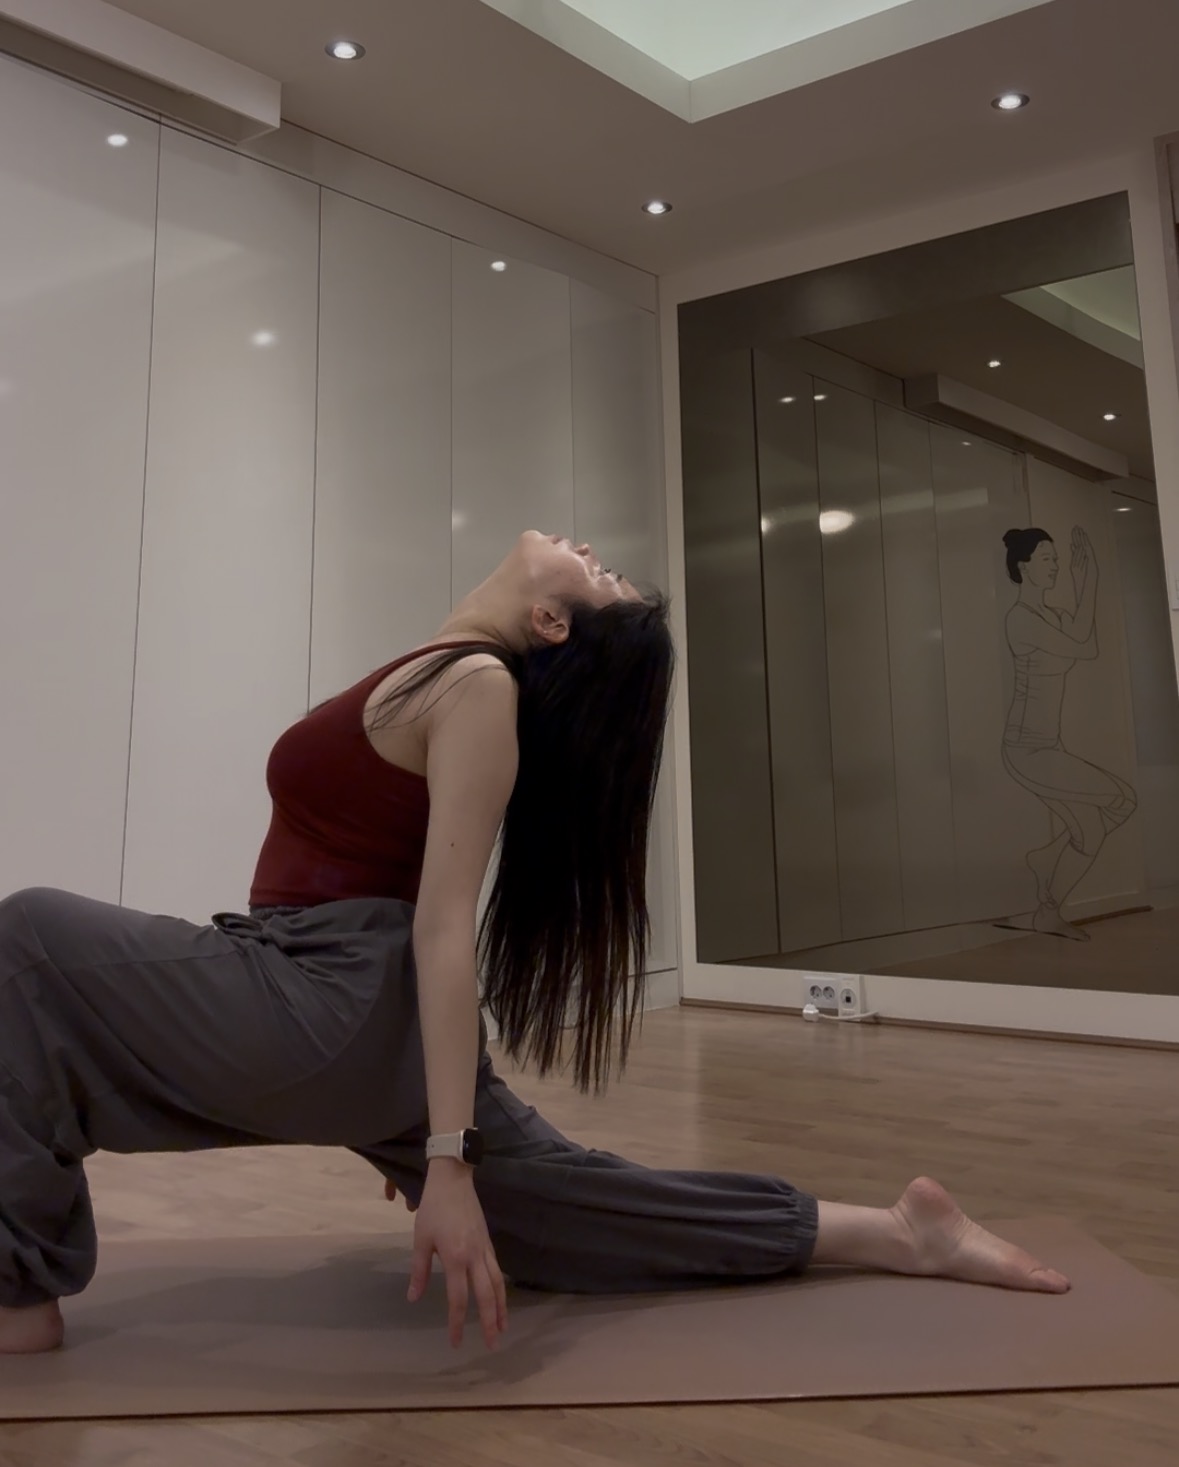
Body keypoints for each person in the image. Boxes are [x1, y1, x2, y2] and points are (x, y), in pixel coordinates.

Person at [0, 530, 1069, 1358]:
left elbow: (443, 927)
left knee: (25, 941)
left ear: (552, 622)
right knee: (565, 1206)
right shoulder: (451, 671)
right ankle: (891, 1233)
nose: (590, 552)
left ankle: (14, 1300)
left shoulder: (476, 687)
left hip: (331, 998)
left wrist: (445, 1155)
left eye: (600, 577)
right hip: (358, 1015)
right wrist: (420, 1122)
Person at [999, 526, 1137, 940]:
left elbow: (1083, 639)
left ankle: (1046, 873)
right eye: (1047, 558)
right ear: (1024, 567)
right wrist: (1089, 579)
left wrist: (1086, 580)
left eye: (1057, 559)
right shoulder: (1020, 620)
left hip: (1049, 746)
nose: (1057, 566)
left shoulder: (1054, 616)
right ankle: (1047, 888)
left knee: (1096, 825)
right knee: (1120, 801)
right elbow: (1083, 646)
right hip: (1026, 750)